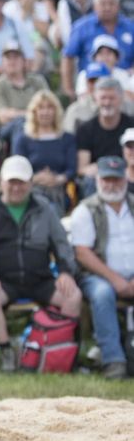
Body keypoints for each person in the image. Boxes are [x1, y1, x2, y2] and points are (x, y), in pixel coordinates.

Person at [0, 155, 82, 372]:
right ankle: (6, 351)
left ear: (30, 183)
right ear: (1, 182)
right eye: (11, 182)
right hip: (4, 280)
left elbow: (62, 246)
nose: (16, 187)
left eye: (21, 182)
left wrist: (65, 272)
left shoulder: (45, 209)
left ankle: (62, 353)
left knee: (73, 295)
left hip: (40, 278)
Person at [69, 155, 134, 379]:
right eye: (107, 179)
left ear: (125, 179)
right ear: (98, 180)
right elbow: (82, 253)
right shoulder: (85, 210)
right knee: (103, 293)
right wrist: (116, 280)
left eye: (116, 179)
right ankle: (113, 361)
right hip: (97, 275)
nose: (111, 185)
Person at [62, 0, 134, 98]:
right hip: (91, 79)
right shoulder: (82, 27)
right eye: (103, 3)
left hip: (124, 80)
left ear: (118, 6)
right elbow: (68, 56)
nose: (107, 7)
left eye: (111, 3)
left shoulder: (130, 27)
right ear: (94, 6)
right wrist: (68, 89)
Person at [11, 90, 77, 212]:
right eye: (41, 108)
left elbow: (71, 169)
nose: (45, 112)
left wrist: (57, 179)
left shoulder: (67, 138)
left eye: (50, 107)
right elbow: (18, 167)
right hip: (31, 188)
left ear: (56, 111)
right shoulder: (24, 139)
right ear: (34, 112)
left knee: (52, 207)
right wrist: (36, 178)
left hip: (59, 189)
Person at [77, 78, 134, 197]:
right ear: (95, 99)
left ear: (121, 99)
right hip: (99, 176)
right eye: (103, 98)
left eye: (111, 98)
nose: (107, 103)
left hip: (127, 174)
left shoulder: (131, 124)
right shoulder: (85, 129)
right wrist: (95, 169)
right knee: (89, 181)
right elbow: (82, 168)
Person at [0, 41, 50, 143]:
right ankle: (19, 157)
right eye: (8, 58)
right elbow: (2, 116)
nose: (12, 61)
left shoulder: (38, 81)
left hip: (40, 124)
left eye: (16, 57)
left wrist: (16, 113)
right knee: (20, 124)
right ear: (2, 62)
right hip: (10, 130)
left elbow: (49, 107)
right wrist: (33, 114)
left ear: (24, 61)